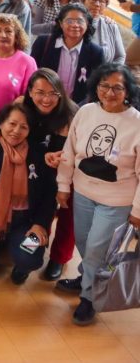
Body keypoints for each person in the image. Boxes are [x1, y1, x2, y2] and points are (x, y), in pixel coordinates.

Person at [55, 63, 140, 325]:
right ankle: (87, 276)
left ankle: (89, 298)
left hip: (117, 201)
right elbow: (69, 151)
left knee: (95, 249)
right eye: (104, 85)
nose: (110, 92)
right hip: (83, 192)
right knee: (84, 243)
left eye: (117, 87)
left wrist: (137, 211)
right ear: (96, 87)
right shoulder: (86, 112)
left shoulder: (137, 123)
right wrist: (63, 186)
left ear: (128, 91)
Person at [0, 103, 56, 283]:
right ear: (0, 123)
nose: (16, 131)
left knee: (29, 257)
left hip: (25, 221)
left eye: (24, 127)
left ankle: (21, 266)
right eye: (12, 124)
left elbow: (49, 195)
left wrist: (40, 224)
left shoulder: (38, 154)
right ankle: (0, 243)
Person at [22, 69, 78, 281]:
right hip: (35, 173)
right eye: (40, 92)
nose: (46, 99)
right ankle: (26, 254)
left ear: (61, 93)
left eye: (53, 93)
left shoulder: (71, 114)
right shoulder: (23, 108)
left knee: (64, 214)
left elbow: (79, 150)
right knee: (39, 214)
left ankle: (59, 257)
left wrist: (63, 160)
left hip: (65, 174)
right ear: (30, 92)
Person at [32, 3, 105, 105]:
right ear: (61, 23)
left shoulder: (96, 52)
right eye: (69, 21)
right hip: (43, 104)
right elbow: (32, 75)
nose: (75, 25)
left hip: (76, 109)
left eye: (80, 21)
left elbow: (97, 87)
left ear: (87, 24)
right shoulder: (43, 43)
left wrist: (78, 109)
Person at [82, 0, 125, 65]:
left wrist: (109, 73)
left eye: (102, 1)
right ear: (84, 0)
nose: (97, 4)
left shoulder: (111, 26)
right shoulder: (75, 23)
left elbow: (120, 56)